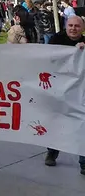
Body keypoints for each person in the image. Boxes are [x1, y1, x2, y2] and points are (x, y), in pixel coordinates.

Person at [44, 15, 85, 175]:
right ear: (66, 27)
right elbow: (49, 59)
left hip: (80, 92)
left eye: (77, 26)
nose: (73, 28)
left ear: (82, 28)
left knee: (81, 125)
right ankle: (52, 151)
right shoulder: (56, 39)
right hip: (60, 89)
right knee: (58, 121)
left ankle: (83, 162)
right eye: (71, 25)